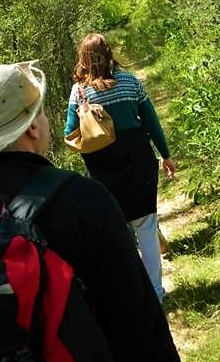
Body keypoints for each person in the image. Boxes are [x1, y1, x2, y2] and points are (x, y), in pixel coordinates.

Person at [0, 60, 189, 362]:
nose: (46, 120)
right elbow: (140, 329)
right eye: (40, 112)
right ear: (31, 129)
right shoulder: (82, 201)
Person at [63, 34, 176, 303]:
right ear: (109, 52)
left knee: (118, 233)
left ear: (83, 59)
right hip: (138, 162)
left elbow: (70, 133)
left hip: (102, 171)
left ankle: (132, 296)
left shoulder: (79, 93)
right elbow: (151, 121)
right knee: (146, 226)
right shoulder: (129, 81)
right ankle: (156, 294)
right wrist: (166, 155)